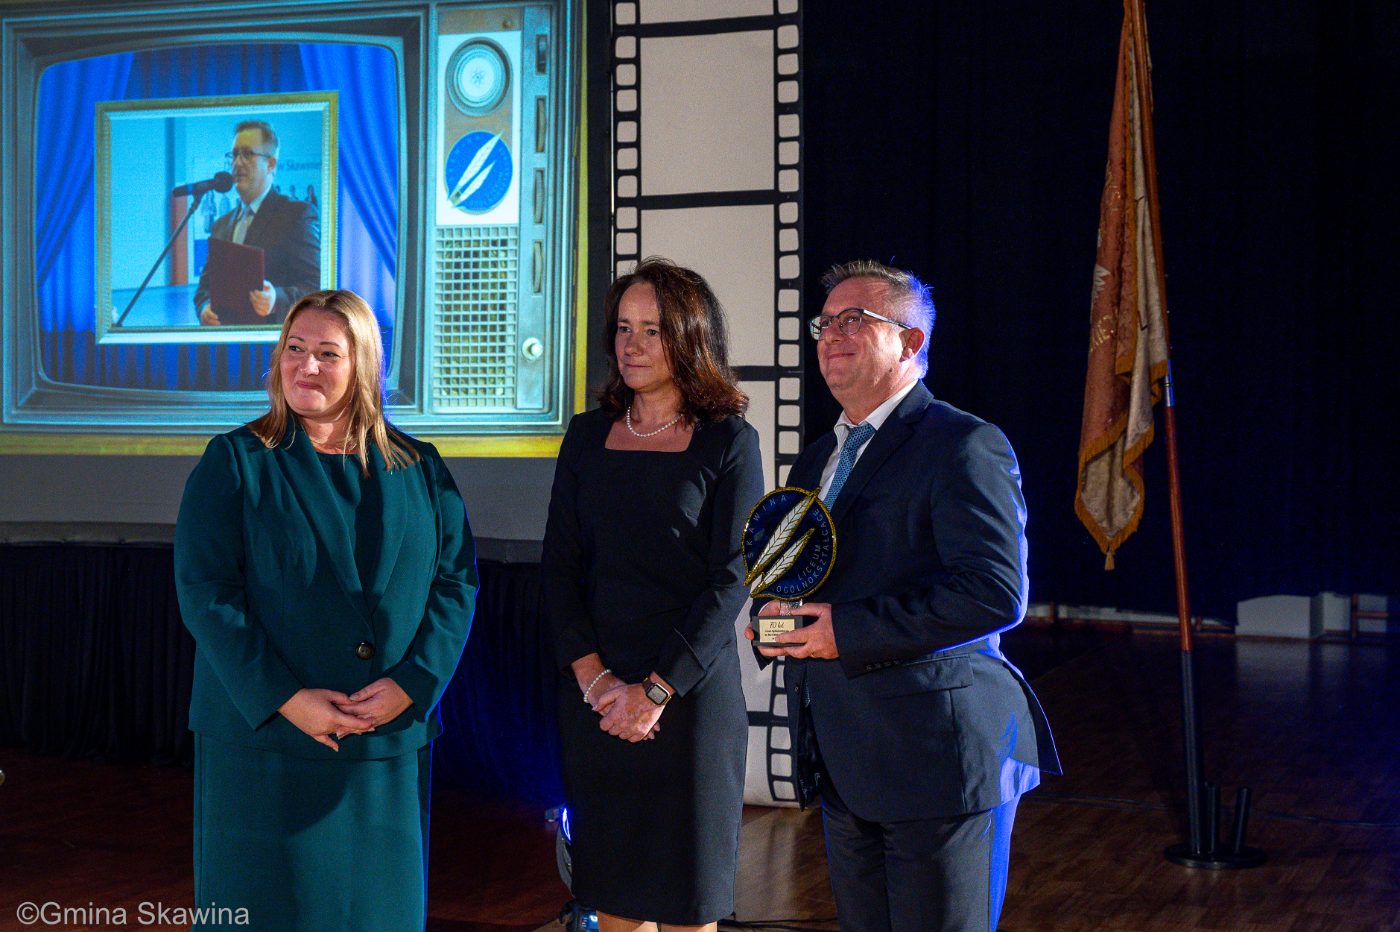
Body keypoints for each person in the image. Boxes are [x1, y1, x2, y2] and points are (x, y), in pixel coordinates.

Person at [746, 260, 1061, 931]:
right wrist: (774, 617)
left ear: (911, 341)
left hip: (937, 759)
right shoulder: (817, 458)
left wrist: (844, 630)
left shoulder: (964, 444)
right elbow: (800, 574)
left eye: (854, 320)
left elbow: (994, 592)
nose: (831, 334)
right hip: (846, 756)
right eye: (824, 323)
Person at [174, 289, 477, 928]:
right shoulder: (236, 461)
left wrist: (413, 683)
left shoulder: (421, 468)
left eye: (327, 353)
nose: (305, 365)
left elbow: (455, 584)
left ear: (363, 364)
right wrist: (286, 698)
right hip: (266, 746)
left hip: (384, 745)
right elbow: (207, 594)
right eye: (294, 348)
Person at [543, 257, 764, 931]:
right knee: (612, 899)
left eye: (652, 330)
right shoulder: (586, 435)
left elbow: (732, 578)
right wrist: (596, 682)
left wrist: (657, 691)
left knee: (686, 906)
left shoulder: (730, 441)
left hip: (689, 703)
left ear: (691, 337)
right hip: (598, 698)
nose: (631, 345)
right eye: (623, 328)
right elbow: (560, 567)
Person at [194, 119, 320, 325]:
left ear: (270, 164)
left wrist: (276, 299)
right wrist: (204, 308)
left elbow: (318, 286)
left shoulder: (296, 215)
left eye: (247, 154)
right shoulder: (221, 225)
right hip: (225, 341)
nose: (237, 163)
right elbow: (204, 288)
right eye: (234, 154)